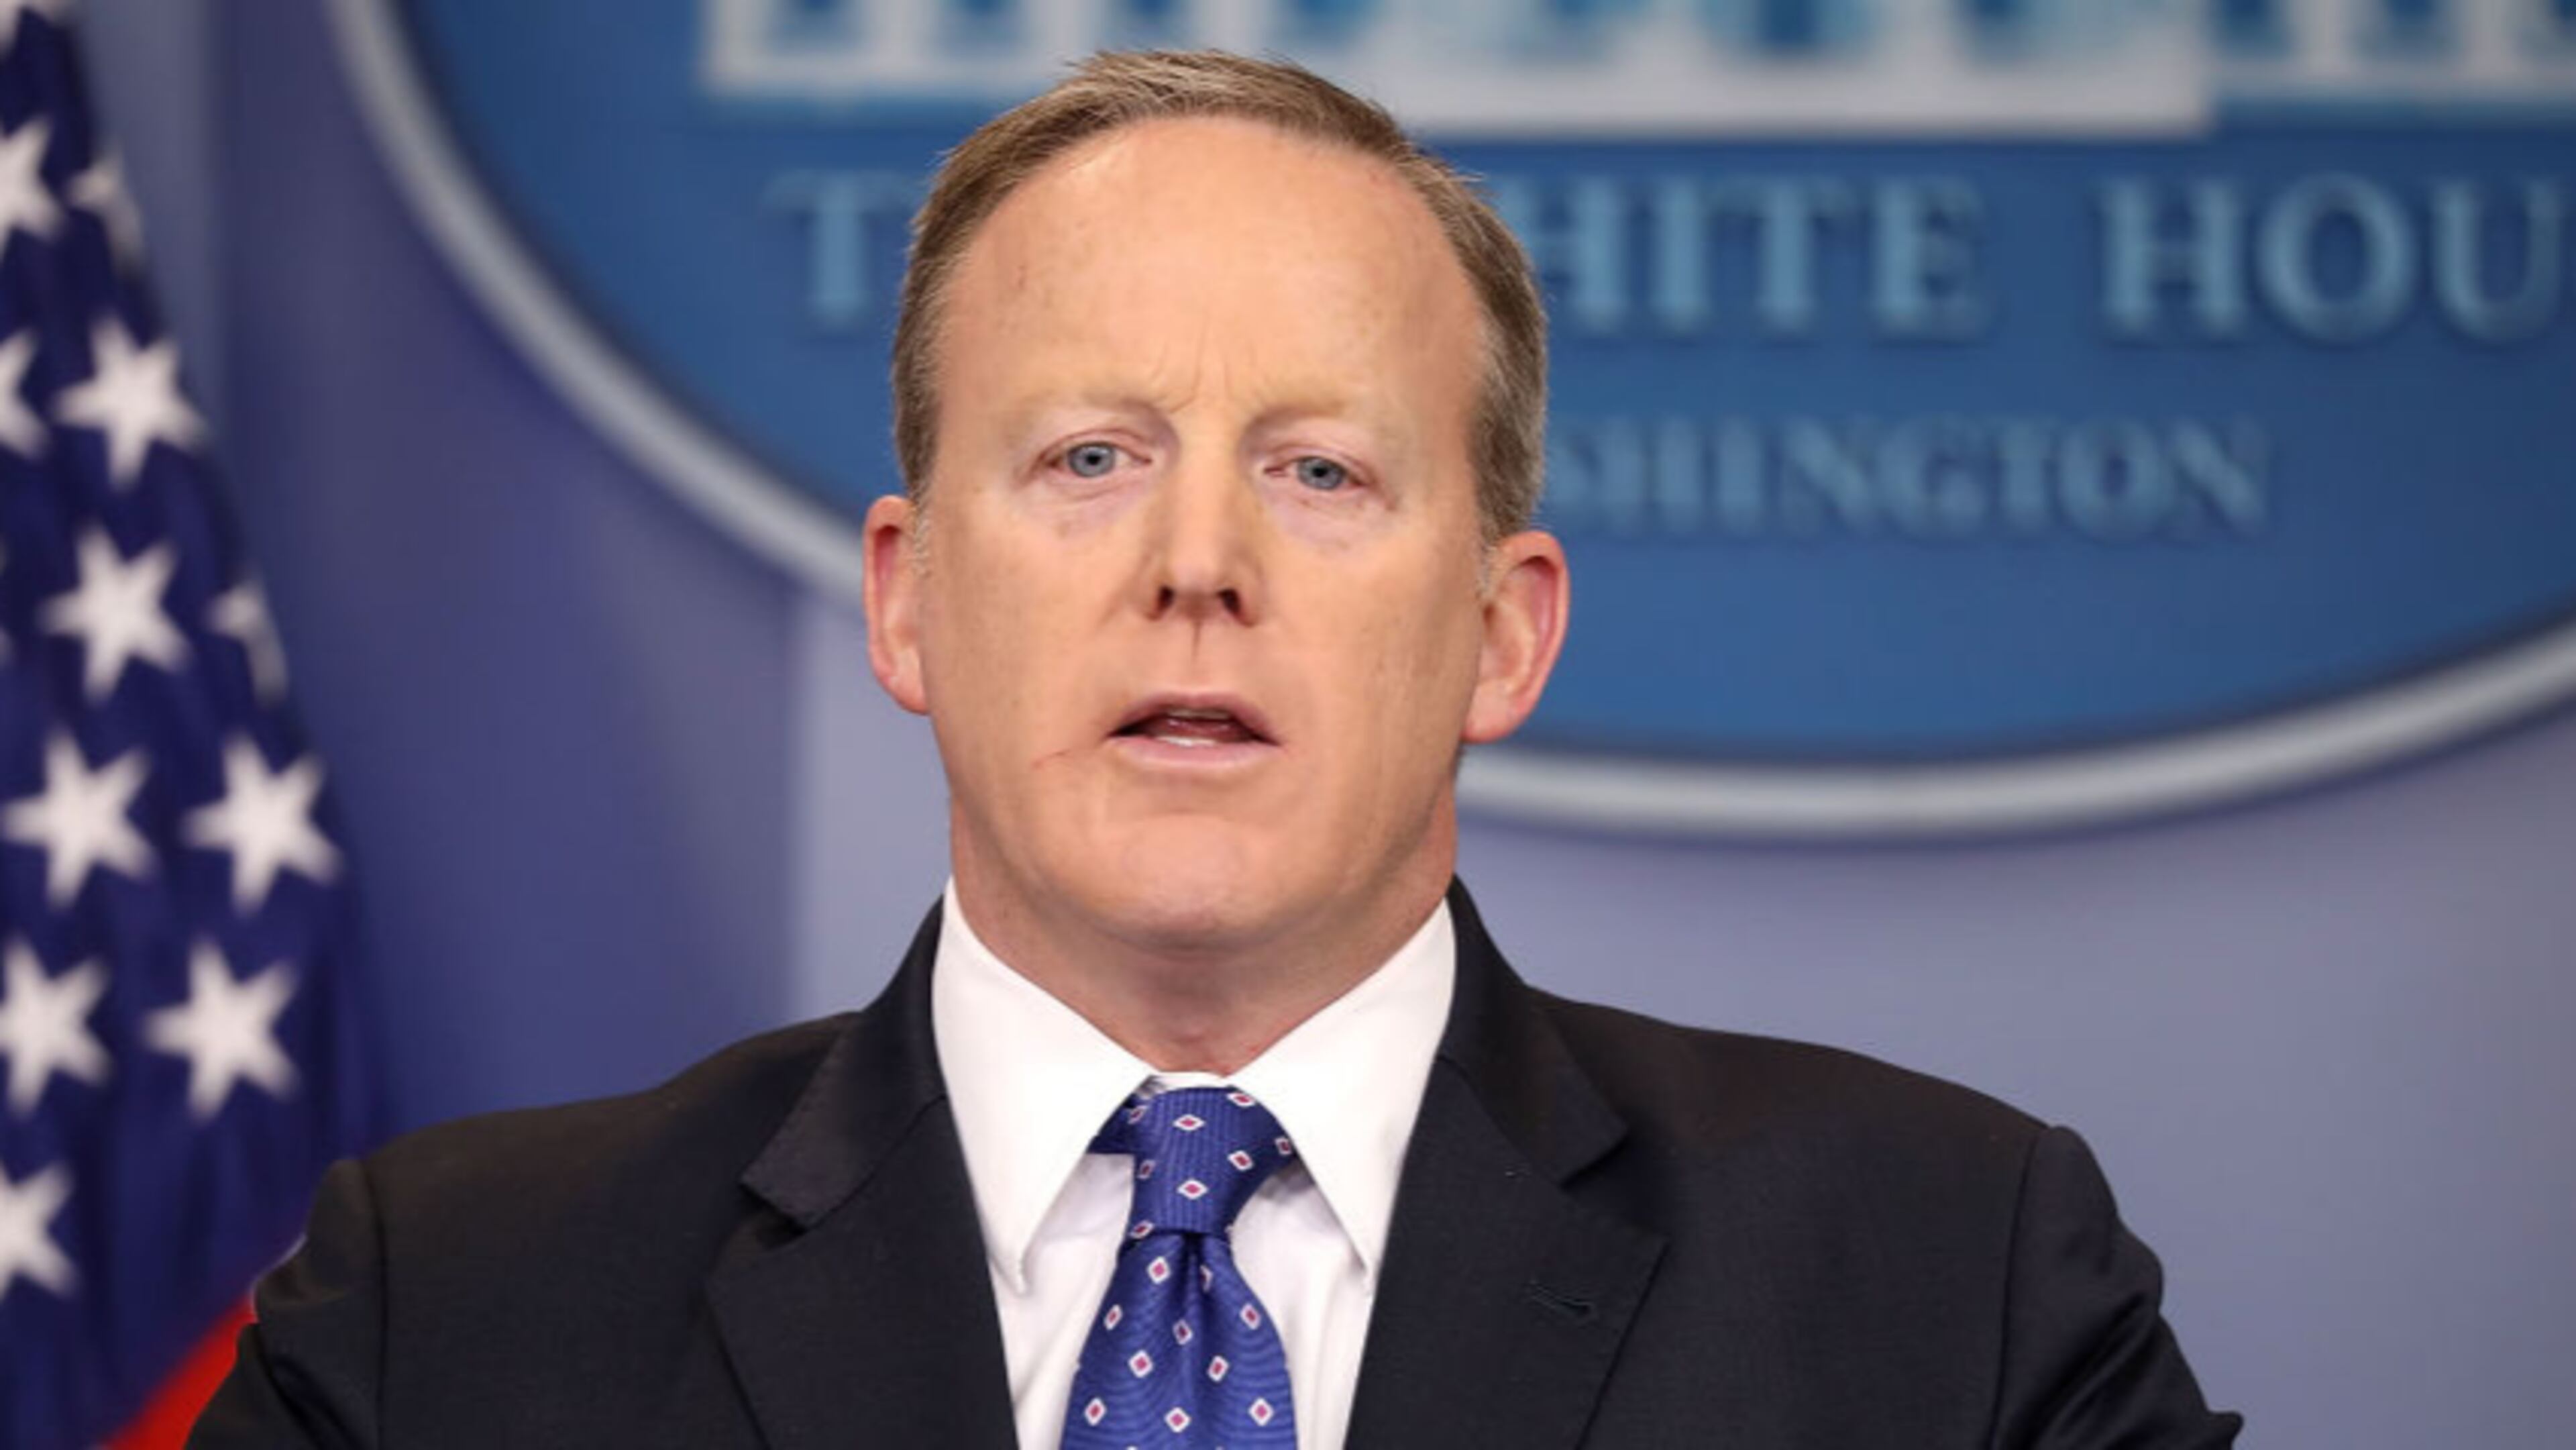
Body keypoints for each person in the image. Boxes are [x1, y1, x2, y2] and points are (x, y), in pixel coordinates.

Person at [193, 50, 2239, 1449]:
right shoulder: (445, 1317)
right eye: (1091, 457)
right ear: (906, 599)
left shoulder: (1949, 1284)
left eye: (1320, 470)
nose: (1197, 563)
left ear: (1503, 631)